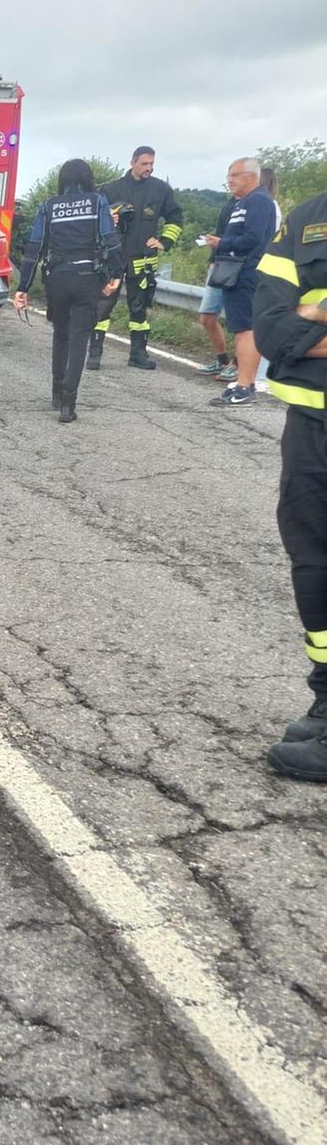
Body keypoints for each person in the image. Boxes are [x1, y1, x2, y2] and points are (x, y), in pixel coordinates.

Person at [252, 189, 327, 780]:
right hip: (310, 423)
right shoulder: (306, 219)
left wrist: (313, 313)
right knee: (313, 563)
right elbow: (271, 329)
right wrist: (302, 321)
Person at [12, 159, 123, 423]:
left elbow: (34, 247)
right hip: (86, 277)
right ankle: (68, 405)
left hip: (57, 278)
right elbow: (110, 239)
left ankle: (56, 394)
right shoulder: (98, 202)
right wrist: (117, 275)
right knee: (79, 338)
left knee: (60, 334)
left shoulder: (49, 206)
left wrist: (23, 287)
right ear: (88, 178)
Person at [88, 146, 184, 372]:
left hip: (142, 260)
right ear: (132, 163)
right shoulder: (111, 189)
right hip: (112, 259)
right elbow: (93, 221)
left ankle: (138, 355)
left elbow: (176, 218)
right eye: (144, 164)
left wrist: (164, 241)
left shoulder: (161, 189)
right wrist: (106, 219)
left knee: (139, 310)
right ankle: (94, 353)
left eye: (152, 164)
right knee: (102, 307)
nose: (149, 168)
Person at [207, 158, 278, 407]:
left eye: (235, 175)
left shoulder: (258, 201)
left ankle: (245, 386)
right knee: (241, 329)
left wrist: (221, 243)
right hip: (237, 272)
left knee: (246, 329)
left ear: (251, 176)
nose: (230, 181)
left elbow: (254, 238)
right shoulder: (244, 202)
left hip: (247, 272)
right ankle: (242, 383)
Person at [196, 192, 236, 378]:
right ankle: (223, 361)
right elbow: (222, 233)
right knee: (207, 316)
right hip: (220, 263)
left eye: (235, 176)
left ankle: (238, 365)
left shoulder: (261, 206)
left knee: (241, 321)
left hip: (241, 266)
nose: (231, 181)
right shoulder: (231, 204)